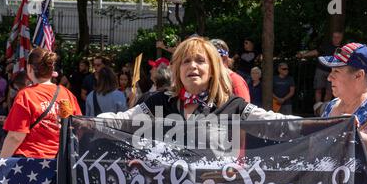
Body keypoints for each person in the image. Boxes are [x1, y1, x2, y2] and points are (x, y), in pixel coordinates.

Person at [98, 36, 295, 122]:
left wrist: (321, 126)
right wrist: (82, 123)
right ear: (177, 70)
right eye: (185, 61)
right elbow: (120, 120)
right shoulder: (158, 102)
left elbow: (274, 122)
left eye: (200, 61)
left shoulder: (232, 105)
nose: (192, 66)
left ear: (212, 70)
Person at [0, 48, 82, 158]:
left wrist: (0, 163)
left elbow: (16, 136)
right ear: (51, 70)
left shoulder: (26, 95)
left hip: (30, 161)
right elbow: (78, 128)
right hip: (60, 161)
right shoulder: (67, 94)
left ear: (29, 68)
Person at [297, 31, 344, 103]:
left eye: (338, 37)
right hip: (321, 70)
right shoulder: (326, 45)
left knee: (329, 91)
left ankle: (324, 109)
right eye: (334, 37)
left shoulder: (343, 49)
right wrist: (303, 55)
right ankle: (317, 107)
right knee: (318, 89)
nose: (335, 39)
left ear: (341, 38)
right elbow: (316, 52)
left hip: (333, 72)